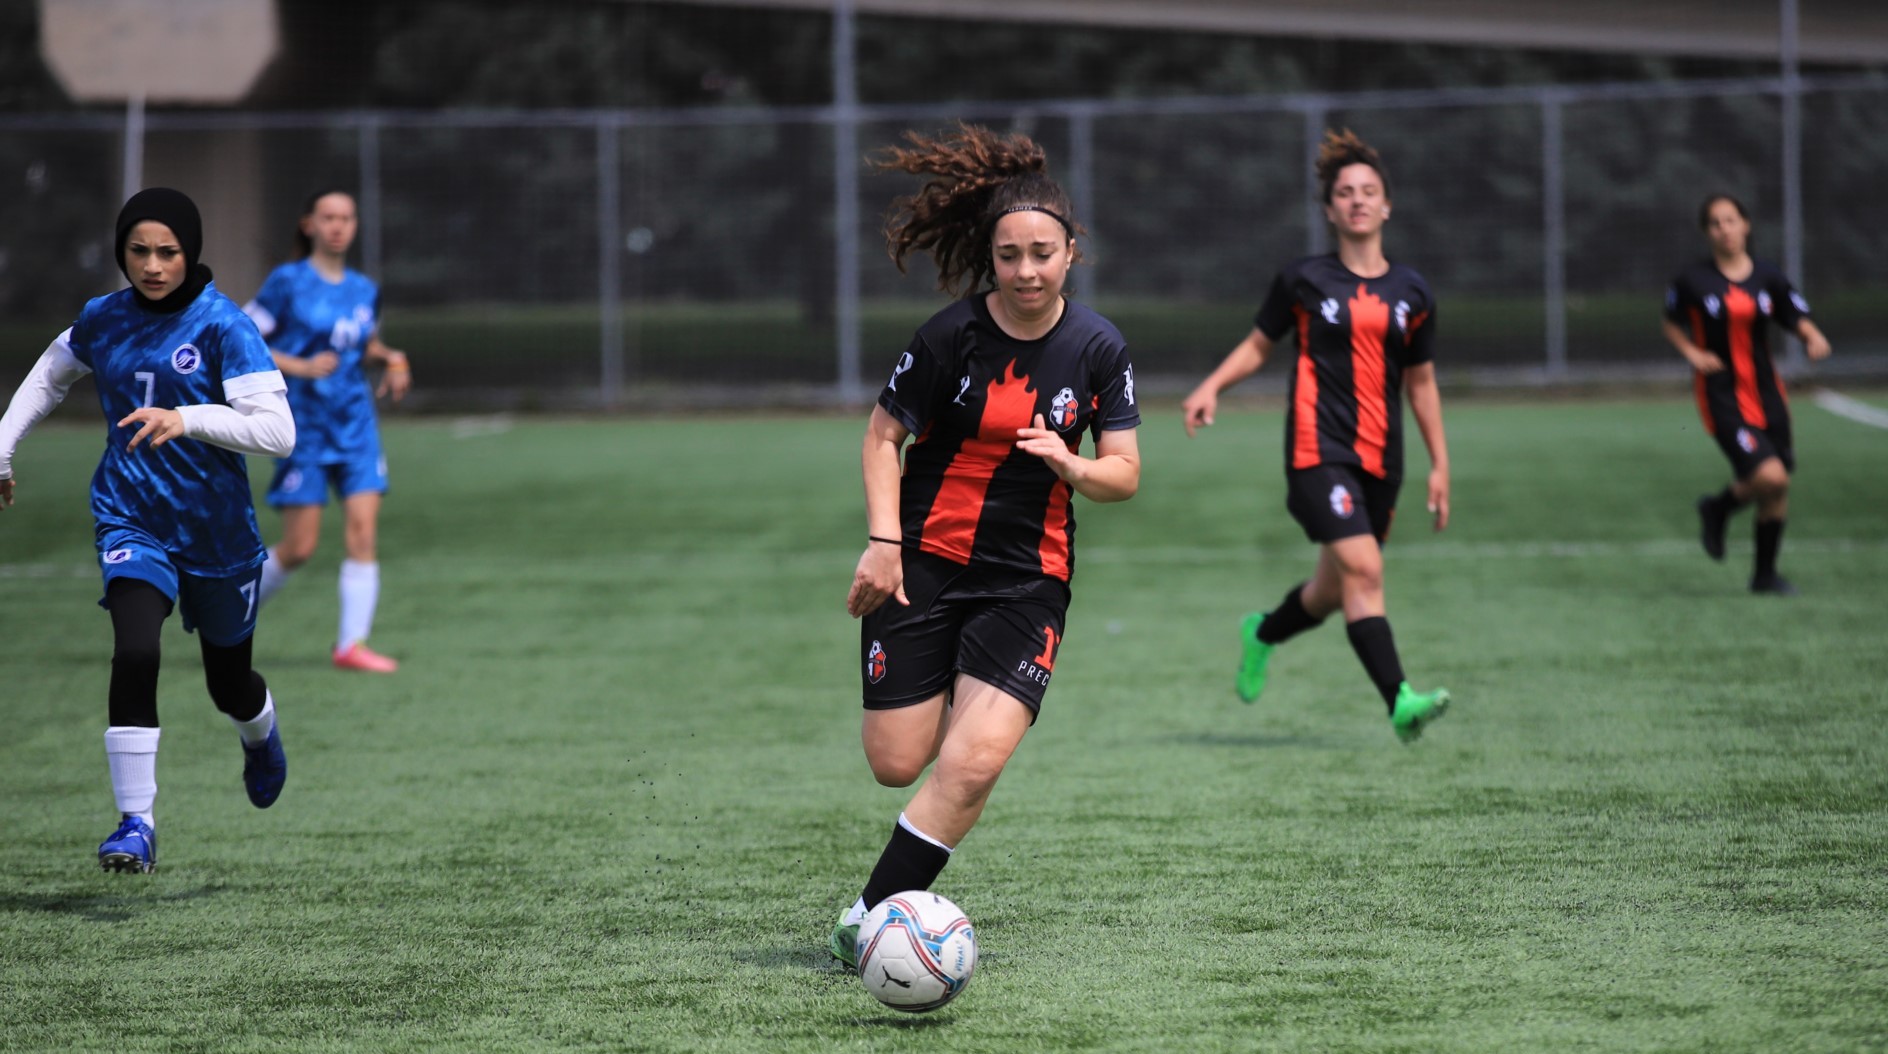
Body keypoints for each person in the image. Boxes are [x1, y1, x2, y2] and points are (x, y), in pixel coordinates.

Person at [829, 124, 1142, 968]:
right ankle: (897, 881)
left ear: (1073, 253)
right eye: (1011, 256)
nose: (1028, 270)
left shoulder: (1098, 348)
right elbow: (879, 437)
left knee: (972, 764)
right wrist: (884, 544)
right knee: (898, 763)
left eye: (1044, 252)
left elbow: (1125, 475)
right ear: (991, 258)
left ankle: (869, 918)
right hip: (922, 567)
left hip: (1026, 582)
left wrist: (1070, 463)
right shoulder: (947, 337)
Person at [0, 188, 295, 873]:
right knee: (136, 651)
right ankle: (136, 823)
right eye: (139, 250)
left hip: (217, 532)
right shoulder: (103, 317)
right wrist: (3, 449)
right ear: (121, 252)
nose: (154, 265)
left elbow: (278, 432)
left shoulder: (224, 324)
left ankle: (260, 736)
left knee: (231, 683)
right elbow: (50, 375)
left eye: (168, 251)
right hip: (130, 514)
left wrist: (186, 418)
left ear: (190, 252)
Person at [1181, 129, 1452, 743]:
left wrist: (1440, 464)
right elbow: (1258, 346)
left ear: (1387, 206)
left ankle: (1264, 633)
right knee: (1365, 568)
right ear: (1329, 210)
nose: (1357, 200)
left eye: (1369, 192)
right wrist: (1211, 386)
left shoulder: (1413, 292)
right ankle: (1401, 700)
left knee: (1334, 589)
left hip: (1384, 460)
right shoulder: (1303, 279)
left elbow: (1423, 383)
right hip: (1316, 452)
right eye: (1345, 193)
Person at [243, 190, 411, 671]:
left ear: (355, 225)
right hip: (304, 428)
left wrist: (392, 357)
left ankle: (351, 646)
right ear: (310, 224)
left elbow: (365, 343)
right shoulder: (287, 282)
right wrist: (298, 364)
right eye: (328, 217)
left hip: (355, 425)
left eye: (346, 217)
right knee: (300, 547)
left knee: (362, 534)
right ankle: (226, 611)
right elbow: (240, 336)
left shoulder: (363, 289)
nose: (337, 225)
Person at [1662, 194, 1831, 595]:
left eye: (1731, 220)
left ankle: (1762, 573)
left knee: (1776, 485)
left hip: (1768, 394)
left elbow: (1794, 314)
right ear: (1707, 233)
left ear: (1746, 224)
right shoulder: (1693, 280)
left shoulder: (1767, 277)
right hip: (1723, 397)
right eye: (1716, 224)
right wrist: (1692, 352)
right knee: (1769, 475)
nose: (1725, 230)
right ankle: (1719, 509)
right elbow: (1670, 322)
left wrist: (1812, 335)